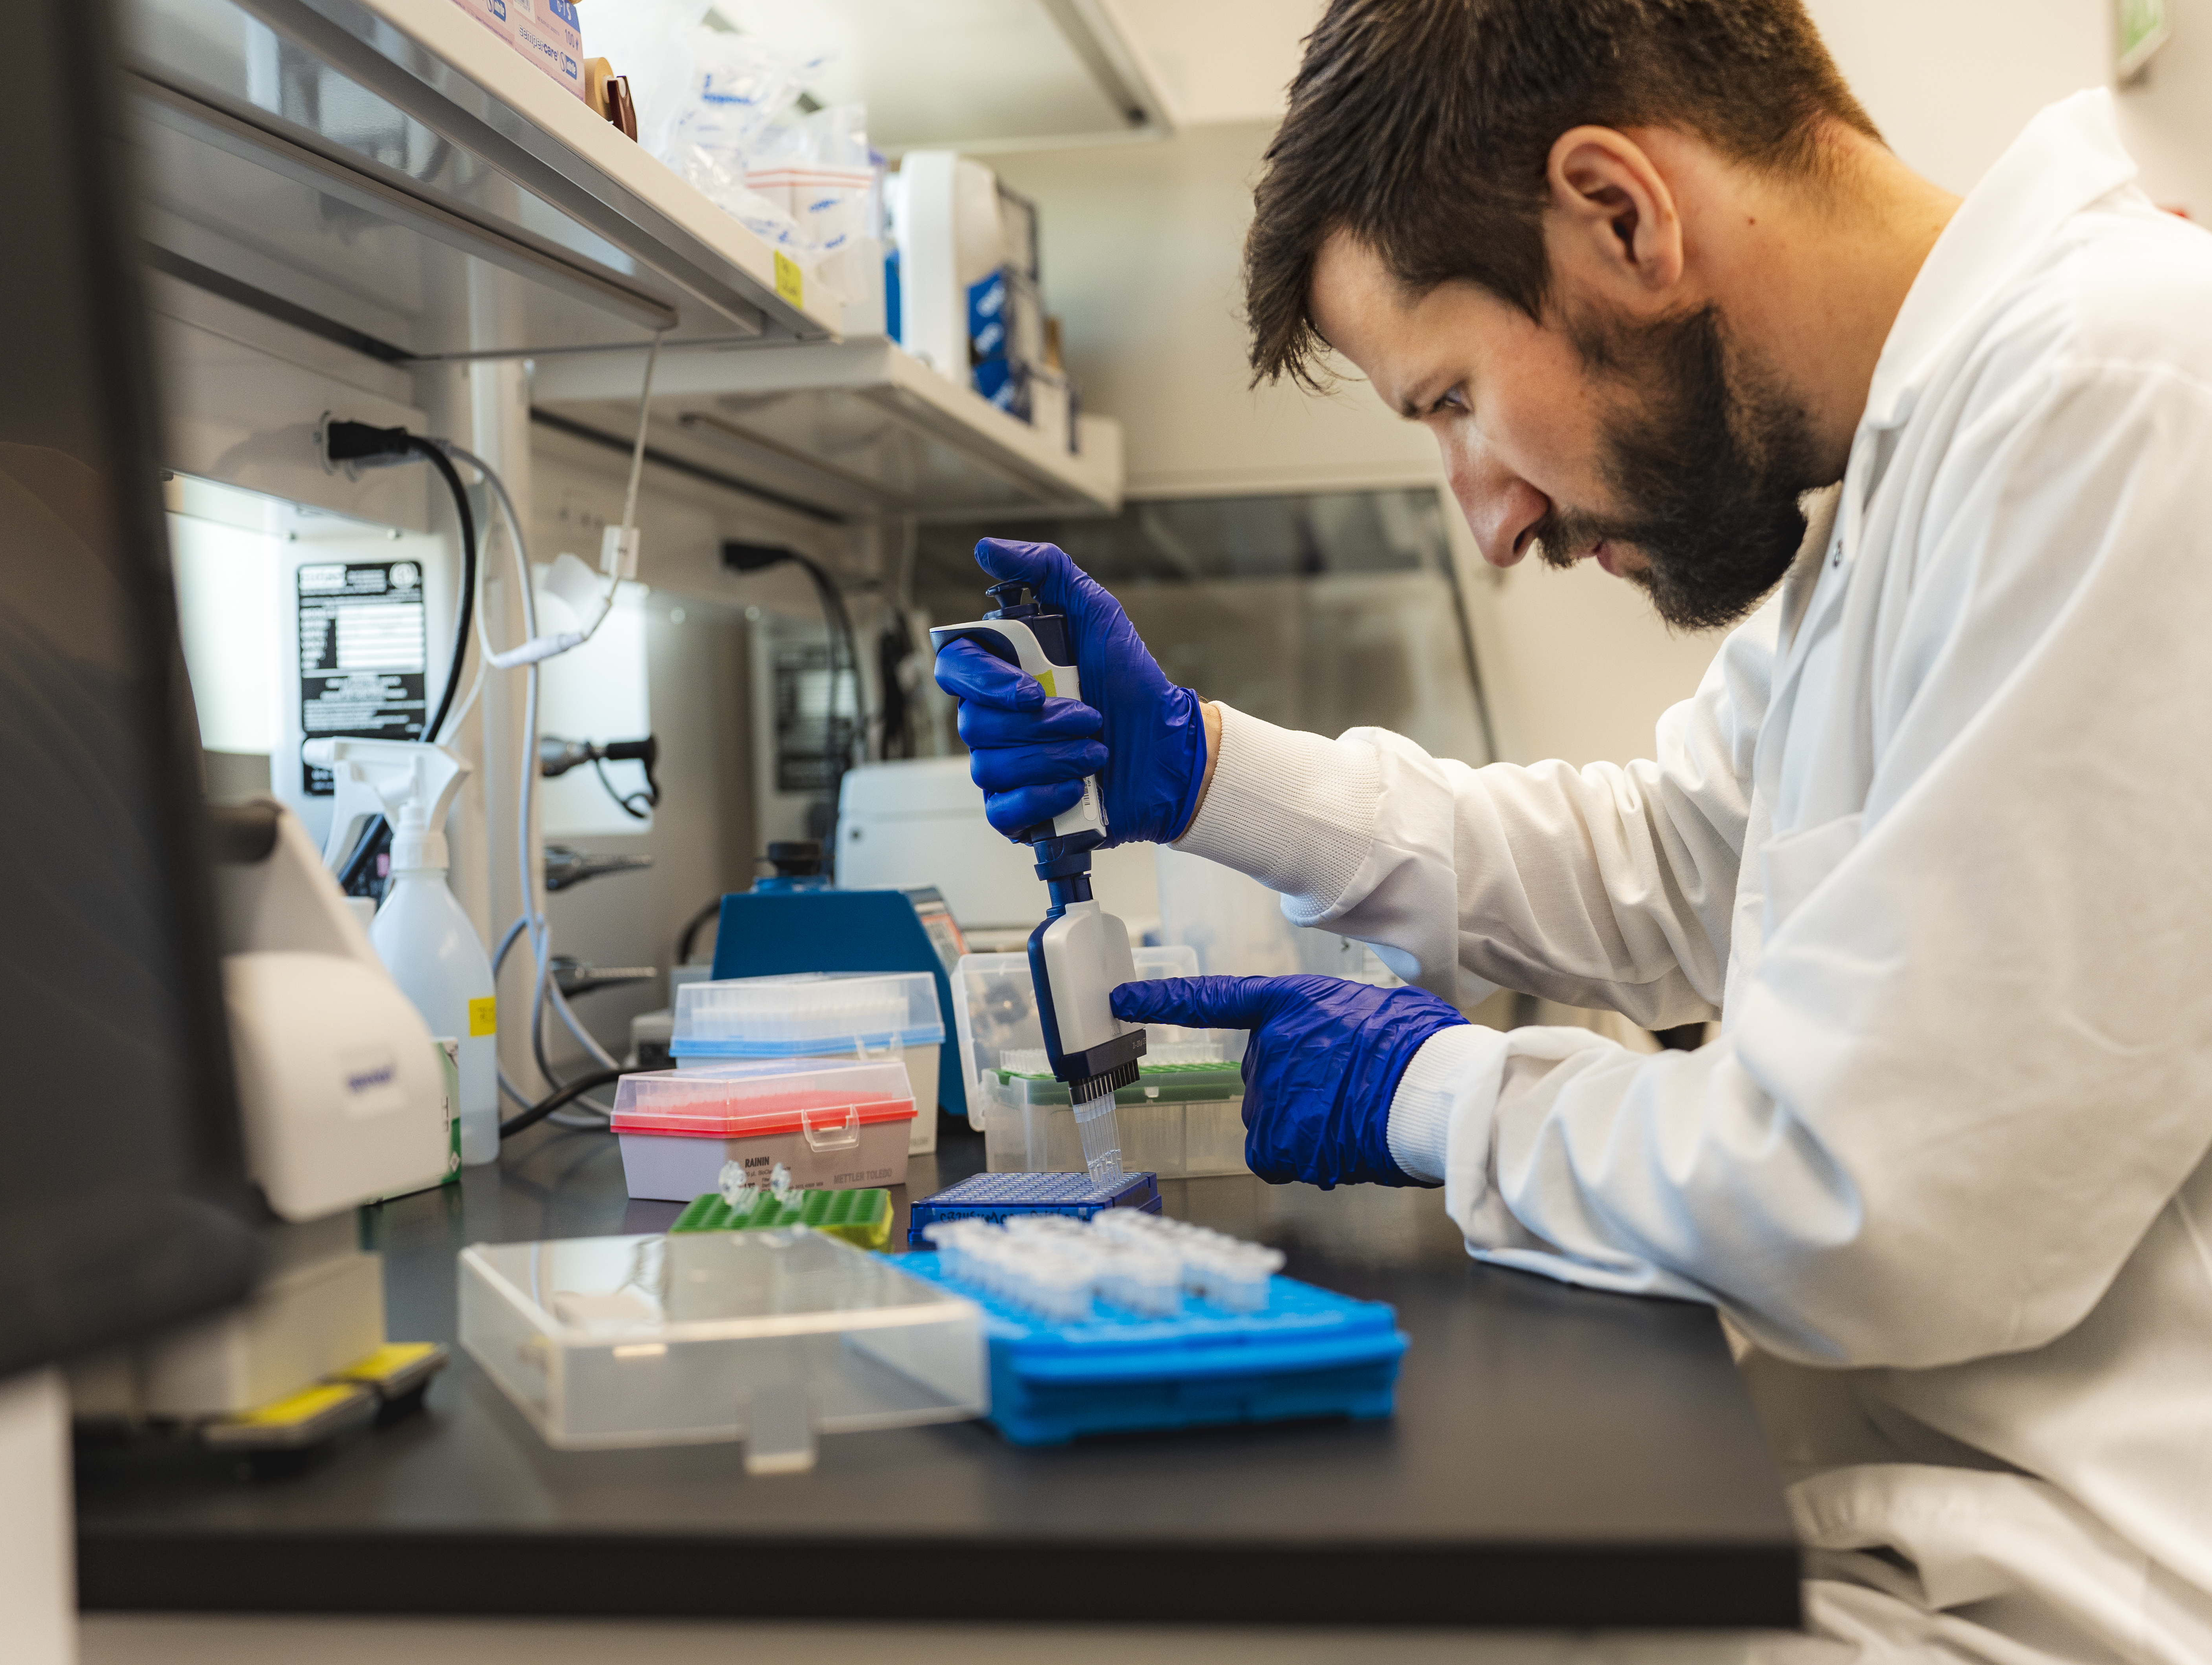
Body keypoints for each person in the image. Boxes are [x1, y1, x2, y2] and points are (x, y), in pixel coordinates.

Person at [933, 3, 2212, 1660]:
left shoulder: (2120, 395)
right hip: (1903, 1522)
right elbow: (1672, 860)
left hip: (2077, 1599)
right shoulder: (1929, 457)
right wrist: (1199, 772)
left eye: (1454, 397)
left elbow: (1873, 1203)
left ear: (1621, 211)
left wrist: (1433, 1092)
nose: (1488, 516)